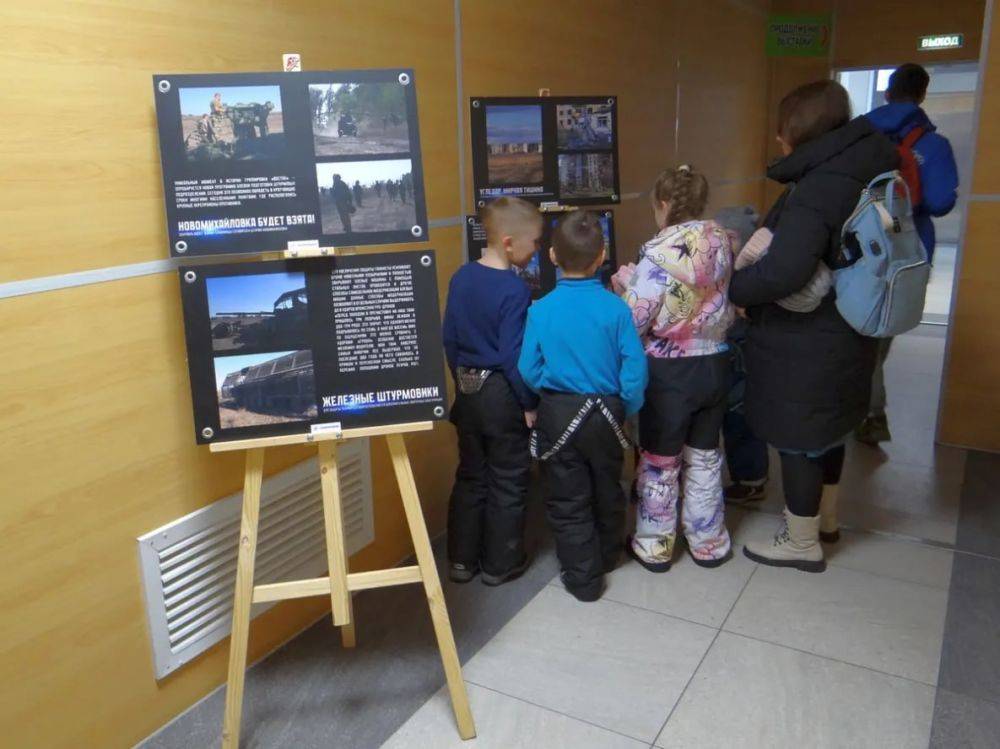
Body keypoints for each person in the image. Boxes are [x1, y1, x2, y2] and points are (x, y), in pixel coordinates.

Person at [730, 80, 898, 571]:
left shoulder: (820, 186)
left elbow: (785, 271)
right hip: (848, 329)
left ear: (798, 132)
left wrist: (737, 290)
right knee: (829, 429)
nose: (778, 141)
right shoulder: (866, 165)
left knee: (799, 436)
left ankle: (800, 541)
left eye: (782, 132)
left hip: (807, 340)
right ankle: (825, 520)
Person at [519, 211, 647, 602]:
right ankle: (608, 556)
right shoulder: (617, 309)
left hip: (559, 414)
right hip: (608, 415)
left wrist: (550, 390)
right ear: (602, 255)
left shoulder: (540, 310)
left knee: (567, 497)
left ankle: (583, 578)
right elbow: (636, 371)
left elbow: (527, 368)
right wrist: (626, 405)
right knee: (607, 487)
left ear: (553, 256)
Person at [612, 166, 735, 571]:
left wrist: (627, 288)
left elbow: (636, 320)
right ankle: (708, 541)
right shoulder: (722, 244)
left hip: (669, 373)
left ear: (663, 204)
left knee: (661, 463)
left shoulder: (656, 256)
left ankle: (655, 545)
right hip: (715, 363)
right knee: (704, 456)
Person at [442, 197, 543, 586]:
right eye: (533, 242)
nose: (536, 251)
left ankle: (462, 561)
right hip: (502, 395)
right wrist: (528, 403)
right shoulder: (514, 290)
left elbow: (449, 340)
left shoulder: (461, 277)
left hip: (467, 393)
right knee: (508, 477)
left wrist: (462, 382)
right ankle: (501, 564)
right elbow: (511, 356)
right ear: (508, 242)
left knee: (470, 475)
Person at [859, 63, 960, 445]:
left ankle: (864, 407)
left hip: (859, 248)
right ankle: (870, 412)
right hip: (909, 251)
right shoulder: (933, 145)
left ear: (887, 92)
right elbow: (937, 202)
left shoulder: (858, 134)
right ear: (921, 96)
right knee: (881, 334)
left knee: (859, 331)